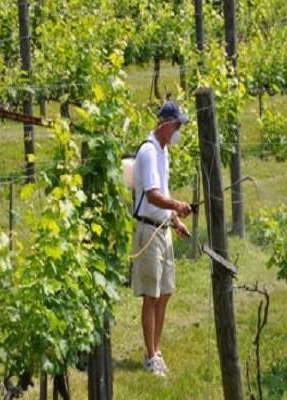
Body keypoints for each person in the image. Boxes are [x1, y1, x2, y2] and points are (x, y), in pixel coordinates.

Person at [131, 100, 192, 377]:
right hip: (149, 230)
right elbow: (154, 195)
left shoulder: (164, 152)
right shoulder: (148, 152)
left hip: (163, 228)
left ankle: (156, 349)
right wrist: (177, 205)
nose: (179, 130)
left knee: (165, 292)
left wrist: (176, 221)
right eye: (177, 125)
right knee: (151, 296)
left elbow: (162, 191)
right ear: (165, 124)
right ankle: (150, 355)